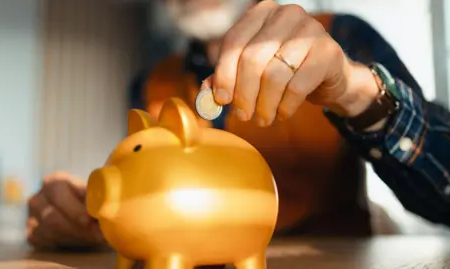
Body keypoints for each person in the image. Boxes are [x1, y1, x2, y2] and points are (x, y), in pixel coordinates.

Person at [26, 0, 450, 250]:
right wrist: (92, 221)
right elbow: (151, 206)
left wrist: (356, 91)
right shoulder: (152, 82)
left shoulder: (344, 37)